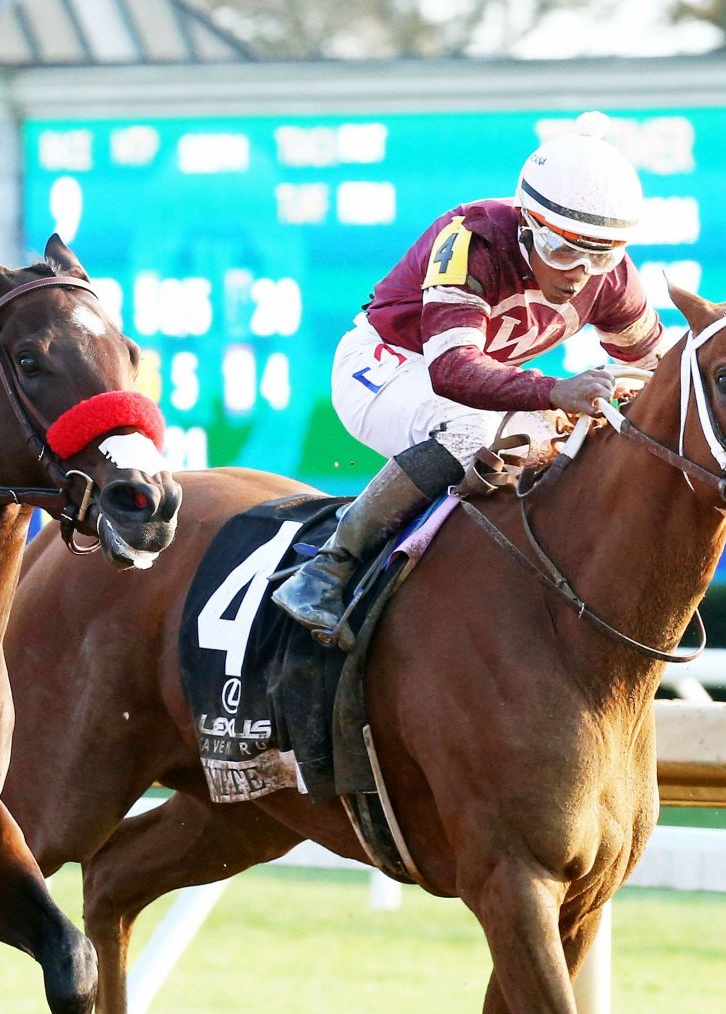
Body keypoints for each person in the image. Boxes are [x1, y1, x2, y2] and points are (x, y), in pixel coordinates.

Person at [273, 112, 665, 645]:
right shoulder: (473, 239)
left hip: (482, 383)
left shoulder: (611, 277)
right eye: (564, 250)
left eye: (600, 255)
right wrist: (557, 390)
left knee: (566, 443)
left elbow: (656, 371)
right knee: (475, 433)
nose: (579, 273)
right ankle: (327, 568)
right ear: (528, 226)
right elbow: (451, 371)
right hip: (387, 364)